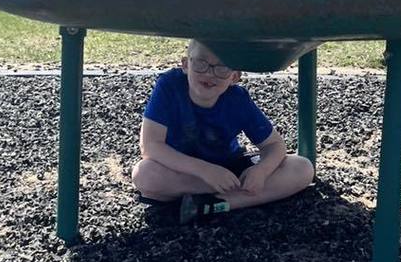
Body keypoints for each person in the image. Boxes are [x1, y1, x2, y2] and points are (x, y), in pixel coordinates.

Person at [131, 39, 314, 224]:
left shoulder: (238, 99)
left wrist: (262, 171)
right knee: (144, 174)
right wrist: (205, 171)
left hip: (229, 169)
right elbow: (151, 146)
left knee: (302, 167)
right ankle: (225, 199)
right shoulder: (170, 86)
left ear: (235, 76)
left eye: (222, 68)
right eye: (201, 63)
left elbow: (274, 145)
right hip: (182, 169)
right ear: (185, 64)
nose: (210, 74)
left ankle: (218, 203)